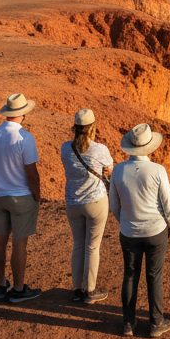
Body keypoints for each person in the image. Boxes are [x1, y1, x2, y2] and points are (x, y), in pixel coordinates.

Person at [109, 123, 170, 338]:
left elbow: (113, 204)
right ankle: (156, 323)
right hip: (156, 231)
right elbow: (167, 202)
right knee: (154, 276)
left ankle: (128, 323)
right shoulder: (157, 170)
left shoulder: (119, 169)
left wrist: (126, 221)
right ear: (150, 147)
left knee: (130, 275)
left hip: (129, 232)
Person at [0, 93, 42, 303]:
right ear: (23, 114)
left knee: (0, 240)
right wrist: (37, 195)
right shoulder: (25, 138)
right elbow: (31, 173)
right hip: (21, 198)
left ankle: (1, 284)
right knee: (19, 244)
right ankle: (18, 289)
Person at [60, 108, 113, 305]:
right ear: (93, 127)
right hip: (95, 203)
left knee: (78, 244)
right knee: (92, 247)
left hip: (73, 204)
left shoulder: (65, 148)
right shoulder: (100, 149)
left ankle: (77, 290)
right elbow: (108, 169)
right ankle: (89, 291)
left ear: (75, 127)